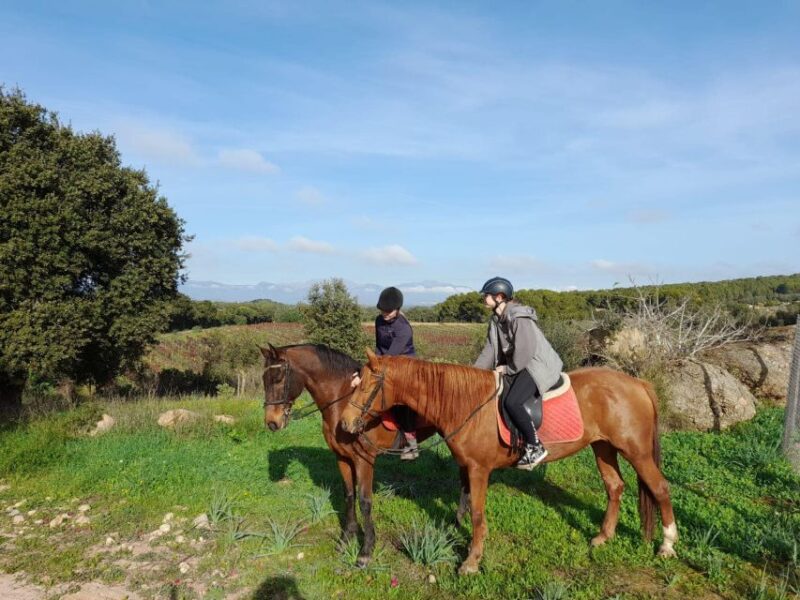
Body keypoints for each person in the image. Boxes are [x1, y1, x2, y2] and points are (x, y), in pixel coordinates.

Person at [474, 276, 563, 470]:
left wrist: (507, 369)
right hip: (521, 364)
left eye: (487, 295)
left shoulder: (518, 317)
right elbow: (490, 350)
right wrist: (472, 375)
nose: (484, 298)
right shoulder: (495, 320)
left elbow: (525, 350)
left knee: (512, 402)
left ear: (499, 297)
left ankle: (535, 446)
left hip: (537, 365)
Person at [351, 286, 419, 459]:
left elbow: (391, 356)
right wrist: (363, 371)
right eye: (382, 311)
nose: (385, 314)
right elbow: (379, 349)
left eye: (389, 312)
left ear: (398, 309)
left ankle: (411, 442)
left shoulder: (403, 329)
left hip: (405, 365)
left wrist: (370, 369)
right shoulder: (379, 321)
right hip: (384, 361)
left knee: (403, 401)